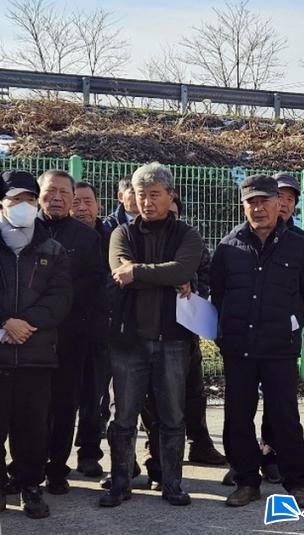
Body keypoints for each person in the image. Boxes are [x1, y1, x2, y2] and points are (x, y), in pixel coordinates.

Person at [210, 174, 304, 508]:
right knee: (237, 416)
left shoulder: (301, 245)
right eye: (251, 202)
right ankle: (246, 480)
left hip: (280, 347)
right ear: (243, 206)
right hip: (239, 347)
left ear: (278, 203)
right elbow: (218, 293)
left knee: (284, 415)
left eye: (264, 201)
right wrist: (222, 331)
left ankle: (296, 481)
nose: (258, 208)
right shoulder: (228, 246)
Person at [100, 162, 203, 507]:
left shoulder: (187, 235)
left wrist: (140, 272)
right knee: (123, 417)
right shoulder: (122, 234)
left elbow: (183, 267)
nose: (147, 201)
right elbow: (119, 272)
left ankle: (172, 484)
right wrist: (166, 276)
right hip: (128, 341)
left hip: (173, 341)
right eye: (141, 194)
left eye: (155, 194)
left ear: (171, 195)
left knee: (172, 417)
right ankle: (120, 484)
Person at [138, 196, 226, 492]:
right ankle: (155, 460)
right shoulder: (135, 236)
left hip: (186, 329)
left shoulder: (190, 239)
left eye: (173, 213)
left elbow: (206, 274)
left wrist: (193, 284)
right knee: (152, 403)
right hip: (146, 333)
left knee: (192, 392)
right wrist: (171, 276)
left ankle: (199, 443)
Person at [0, 171, 72, 519]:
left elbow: (60, 297)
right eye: (16, 199)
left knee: (32, 428)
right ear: (2, 204)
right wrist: (5, 323)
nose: (24, 206)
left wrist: (24, 324)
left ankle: (30, 486)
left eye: (30, 199)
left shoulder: (52, 249)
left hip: (36, 354)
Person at [36, 170, 105, 495]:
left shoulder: (87, 238)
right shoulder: (23, 232)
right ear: (39, 194)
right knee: (29, 406)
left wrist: (52, 307)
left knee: (65, 405)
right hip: (28, 335)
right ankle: (26, 466)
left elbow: (92, 282)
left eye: (65, 192)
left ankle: (56, 469)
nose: (57, 198)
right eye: (51, 191)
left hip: (70, 334)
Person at [69, 182, 111, 478]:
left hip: (100, 329)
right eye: (76, 202)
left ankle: (89, 453)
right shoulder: (57, 235)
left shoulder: (112, 237)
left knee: (95, 397)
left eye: (88, 202)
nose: (82, 208)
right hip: (64, 328)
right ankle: (51, 454)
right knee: (60, 397)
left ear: (99, 205)